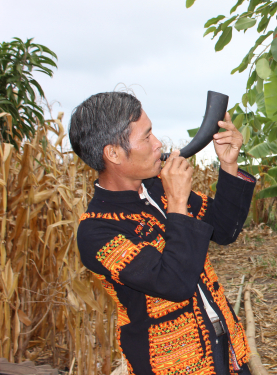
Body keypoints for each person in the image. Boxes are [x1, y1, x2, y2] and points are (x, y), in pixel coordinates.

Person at [70, 92, 256, 375]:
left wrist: (229, 165)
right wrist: (178, 203)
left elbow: (224, 229)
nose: (158, 144)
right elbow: (174, 284)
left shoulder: (156, 187)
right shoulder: (97, 231)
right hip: (171, 366)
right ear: (113, 153)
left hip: (224, 346)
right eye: (146, 138)